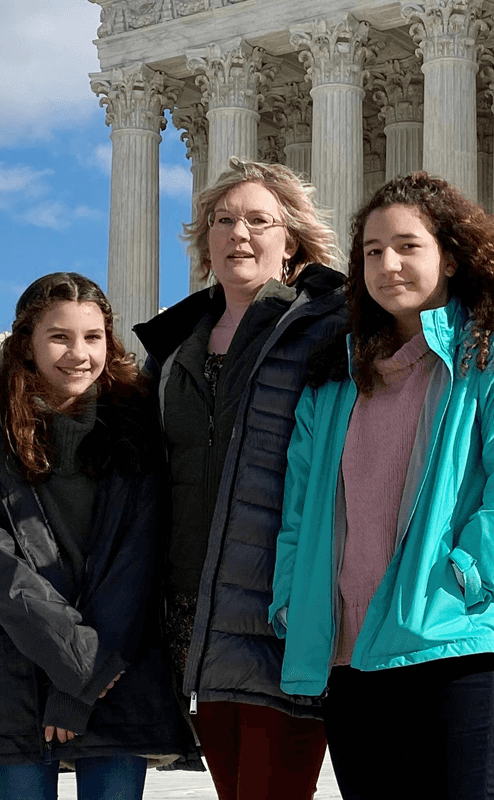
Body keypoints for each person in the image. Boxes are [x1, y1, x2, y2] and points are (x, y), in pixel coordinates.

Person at [270, 173, 494, 800]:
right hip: (351, 658)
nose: (388, 264)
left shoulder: (493, 358)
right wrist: (289, 598)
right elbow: (301, 511)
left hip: (455, 644)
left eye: (408, 246)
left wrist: (470, 576)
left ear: (451, 256)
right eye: (373, 251)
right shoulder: (334, 381)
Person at [0, 272, 194, 800]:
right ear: (27, 343)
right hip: (17, 664)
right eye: (60, 337)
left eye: (93, 337)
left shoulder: (139, 425)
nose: (79, 354)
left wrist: (83, 684)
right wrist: (74, 669)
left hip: (118, 666)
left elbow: (134, 568)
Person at [133, 158, 347, 800]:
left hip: (279, 607)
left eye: (259, 219)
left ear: (293, 242)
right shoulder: (172, 350)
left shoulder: (324, 330)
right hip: (193, 615)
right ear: (204, 241)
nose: (239, 233)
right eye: (223, 221)